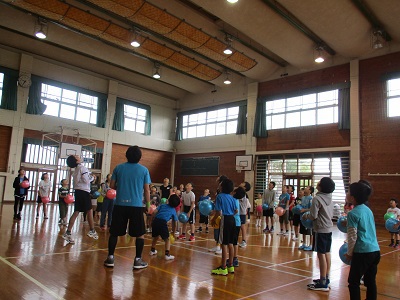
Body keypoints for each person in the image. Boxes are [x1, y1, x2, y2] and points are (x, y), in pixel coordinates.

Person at [104, 146, 151, 269]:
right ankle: (137, 260)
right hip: (136, 206)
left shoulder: (118, 168)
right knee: (140, 234)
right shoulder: (144, 170)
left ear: (126, 155)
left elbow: (112, 186)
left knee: (114, 232)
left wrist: (123, 185)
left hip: (120, 205)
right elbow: (146, 190)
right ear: (139, 157)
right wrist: (148, 205)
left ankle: (110, 258)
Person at [345, 180, 380, 300]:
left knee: (353, 282)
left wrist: (349, 253)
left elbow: (352, 236)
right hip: (375, 250)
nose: (347, 193)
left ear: (353, 198)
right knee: (370, 281)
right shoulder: (367, 210)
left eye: (348, 192)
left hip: (362, 252)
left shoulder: (352, 214)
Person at [304, 177, 335, 292]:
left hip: (321, 229)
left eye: (320, 182)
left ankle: (323, 283)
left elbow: (313, 216)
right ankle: (326, 278)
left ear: (322, 186)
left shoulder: (316, 199)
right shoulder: (330, 197)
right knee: (327, 253)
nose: (318, 183)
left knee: (321, 255)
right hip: (329, 228)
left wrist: (306, 216)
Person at [63, 155, 98, 244]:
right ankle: (92, 230)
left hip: (78, 192)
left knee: (76, 212)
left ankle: (68, 232)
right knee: (89, 211)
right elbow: (87, 180)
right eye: (76, 156)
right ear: (76, 160)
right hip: (84, 192)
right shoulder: (82, 168)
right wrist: (93, 178)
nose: (78, 156)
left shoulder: (76, 170)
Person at [210, 178, 238, 275]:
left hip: (225, 219)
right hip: (232, 220)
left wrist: (213, 219)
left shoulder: (219, 196)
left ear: (222, 187)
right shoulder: (232, 197)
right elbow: (236, 211)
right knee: (230, 243)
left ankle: (223, 267)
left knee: (224, 244)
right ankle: (230, 266)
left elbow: (218, 211)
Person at [149, 194, 180, 260]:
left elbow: (154, 212)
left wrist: (151, 222)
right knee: (167, 239)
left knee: (155, 237)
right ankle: (167, 255)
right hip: (162, 223)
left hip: (156, 221)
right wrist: (173, 232)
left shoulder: (162, 205)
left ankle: (152, 250)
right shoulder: (173, 210)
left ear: (169, 200)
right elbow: (175, 222)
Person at [299, 186, 314, 251]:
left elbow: (311, 208)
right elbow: (301, 206)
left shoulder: (311, 198)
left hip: (308, 217)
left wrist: (304, 210)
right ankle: (304, 243)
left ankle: (310, 245)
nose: (305, 188)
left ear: (310, 190)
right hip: (302, 217)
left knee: (310, 232)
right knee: (303, 231)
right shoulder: (303, 198)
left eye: (307, 188)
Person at [239, 182, 251, 247]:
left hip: (241, 213)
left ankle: (244, 241)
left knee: (242, 227)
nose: (241, 183)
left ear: (245, 187)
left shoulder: (243, 194)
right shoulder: (240, 192)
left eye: (243, 183)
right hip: (237, 213)